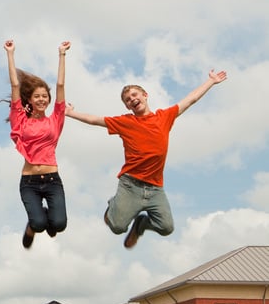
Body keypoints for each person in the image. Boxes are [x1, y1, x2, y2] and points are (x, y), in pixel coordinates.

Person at [66, 68, 228, 248]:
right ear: (127, 106)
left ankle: (141, 224)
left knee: (167, 228)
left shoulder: (164, 117)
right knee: (118, 227)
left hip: (155, 188)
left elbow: (191, 100)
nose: (132, 99)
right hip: (130, 185)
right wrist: (71, 113)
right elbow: (95, 120)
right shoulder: (125, 122)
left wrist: (211, 82)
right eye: (128, 100)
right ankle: (113, 205)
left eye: (135, 95)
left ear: (145, 95)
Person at [4, 39, 71, 249]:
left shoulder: (56, 119)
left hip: (52, 180)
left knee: (59, 225)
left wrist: (62, 54)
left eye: (45, 96)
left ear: (49, 100)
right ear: (30, 100)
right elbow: (15, 85)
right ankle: (33, 225)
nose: (42, 99)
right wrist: (10, 54)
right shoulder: (20, 120)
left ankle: (49, 219)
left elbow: (60, 85)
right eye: (37, 96)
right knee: (39, 224)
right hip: (29, 182)